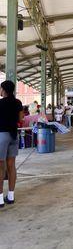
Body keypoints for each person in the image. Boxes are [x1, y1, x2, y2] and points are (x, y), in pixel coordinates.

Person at [0, 80, 23, 208]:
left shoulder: (0, 103)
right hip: (14, 135)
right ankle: (10, 196)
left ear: (3, 90)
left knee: (0, 167)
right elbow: (20, 119)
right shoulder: (18, 102)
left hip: (1, 135)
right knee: (11, 166)